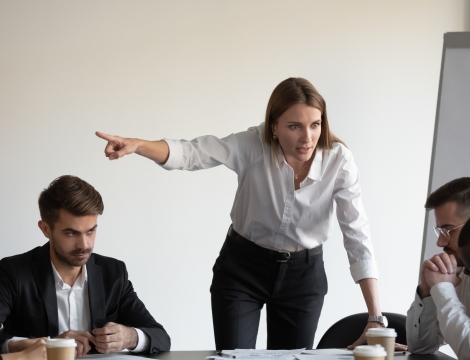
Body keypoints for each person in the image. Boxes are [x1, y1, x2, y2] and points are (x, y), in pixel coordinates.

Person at [96, 77, 385, 350]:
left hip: (303, 277)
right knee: (234, 359)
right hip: (243, 269)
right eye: (294, 126)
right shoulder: (252, 145)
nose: (307, 138)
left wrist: (374, 317)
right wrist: (137, 145)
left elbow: (357, 234)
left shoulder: (339, 160)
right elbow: (193, 153)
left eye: (315, 124)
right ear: (274, 127)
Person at [0, 175, 170, 357]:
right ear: (45, 229)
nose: (84, 245)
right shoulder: (13, 272)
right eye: (71, 233)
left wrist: (130, 337)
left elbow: (161, 337)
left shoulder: (113, 273)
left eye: (91, 231)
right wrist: (47, 345)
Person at [406, 177, 470, 358]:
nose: (440, 242)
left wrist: (443, 290)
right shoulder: (459, 275)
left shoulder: (449, 284)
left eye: (448, 230)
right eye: (440, 231)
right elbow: (421, 347)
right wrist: (426, 291)